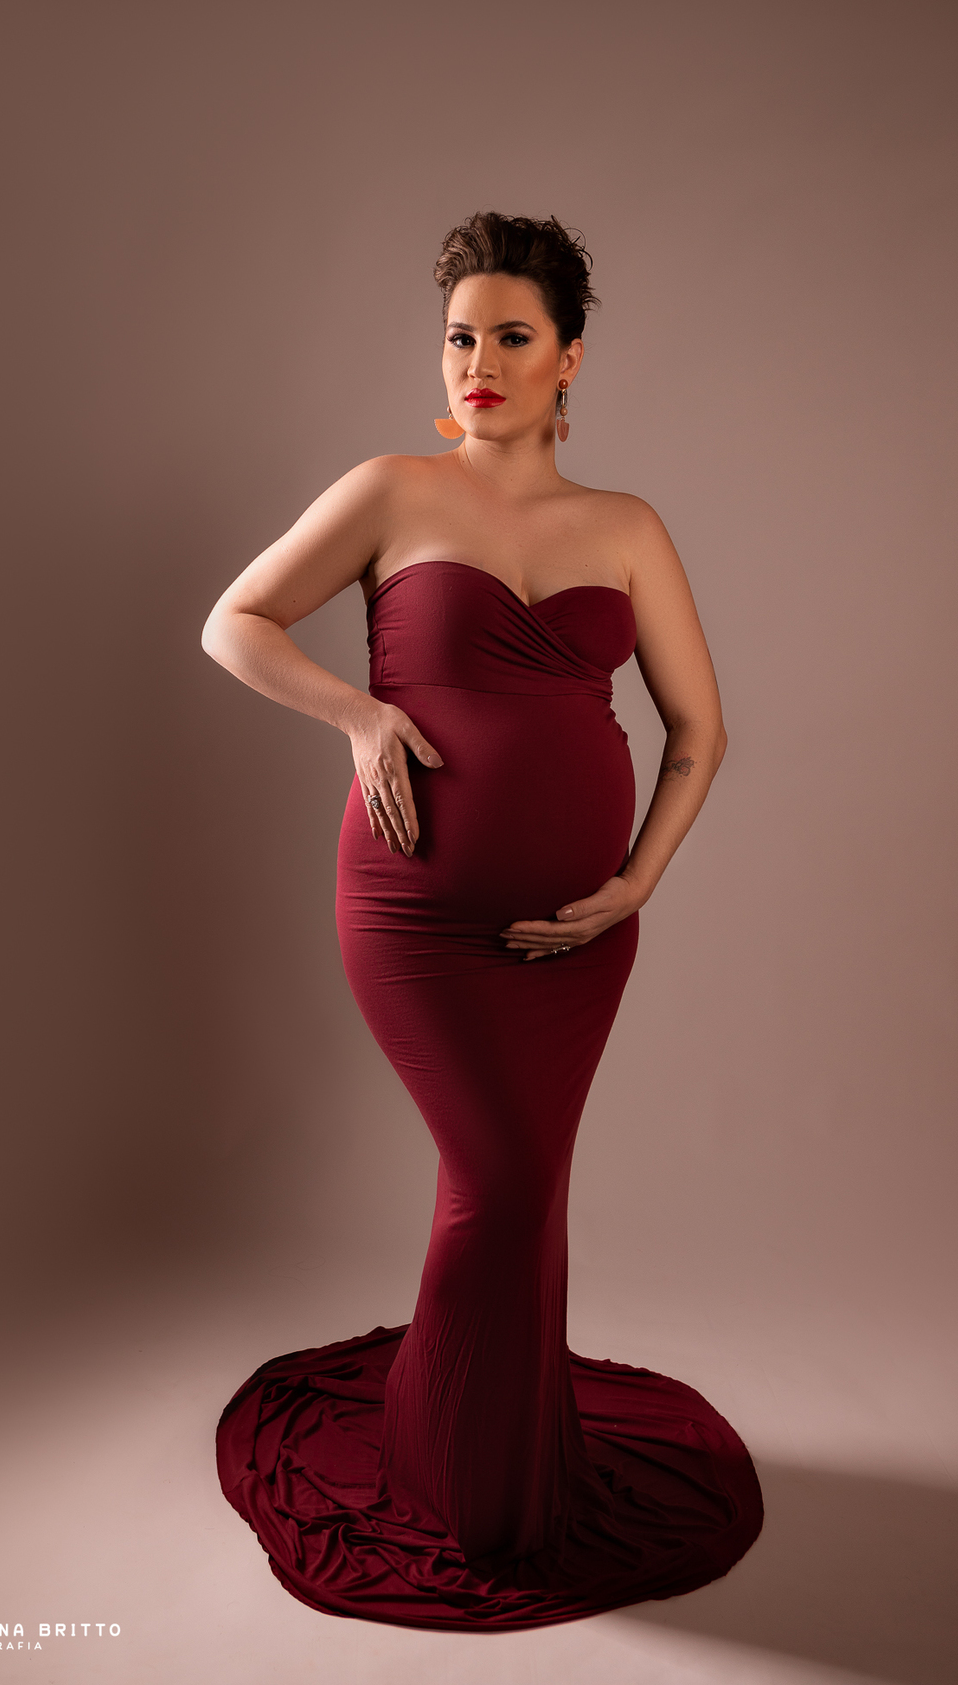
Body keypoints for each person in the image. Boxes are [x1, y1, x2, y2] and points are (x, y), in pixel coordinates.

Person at [202, 211, 763, 1629]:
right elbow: (236, 622)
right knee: (501, 1182)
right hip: (415, 916)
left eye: (513, 337)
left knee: (528, 1184)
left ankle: (507, 1463)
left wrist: (637, 882)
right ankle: (462, 1487)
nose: (479, 365)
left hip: (582, 933)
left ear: (570, 358)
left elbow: (698, 732)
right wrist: (360, 716)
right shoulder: (390, 491)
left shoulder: (628, 529)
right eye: (461, 338)